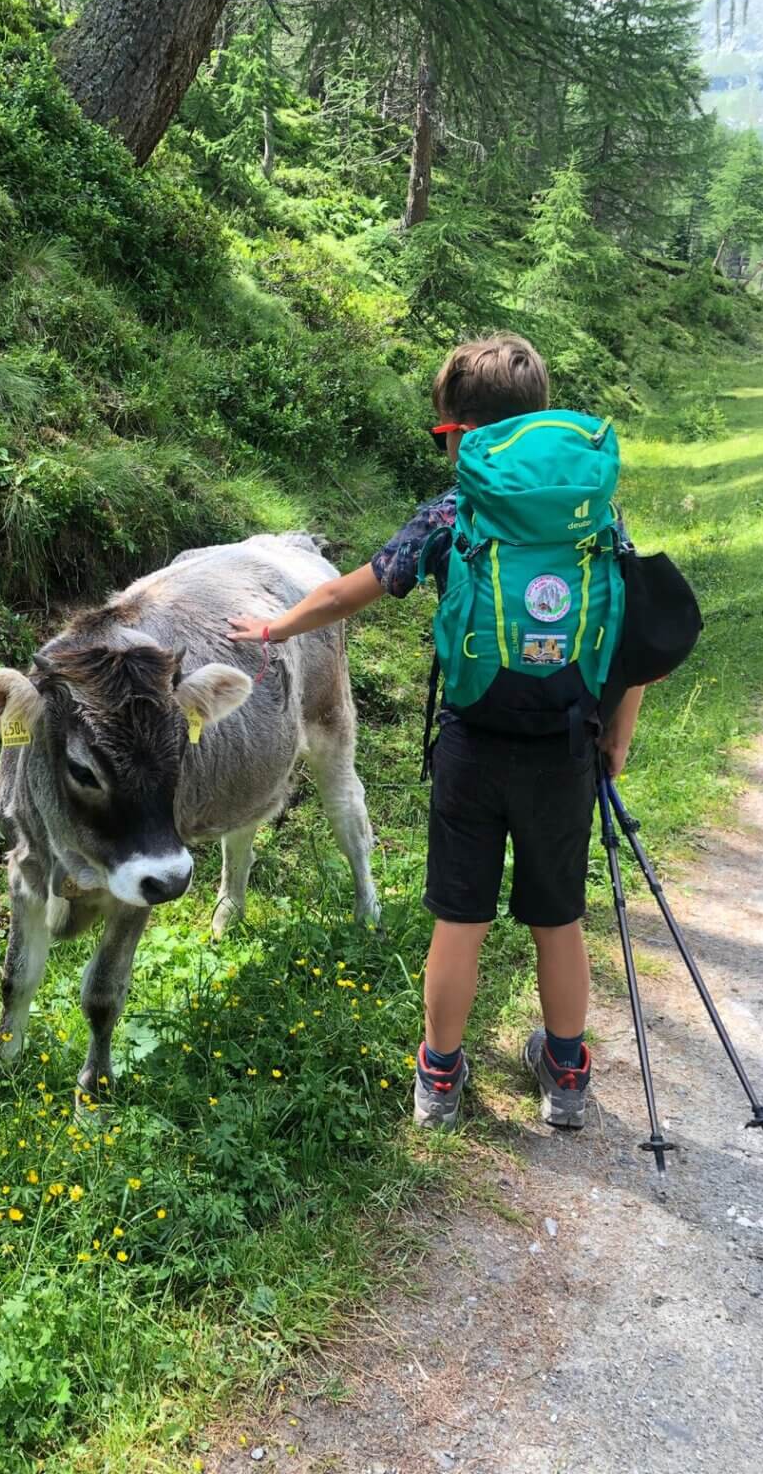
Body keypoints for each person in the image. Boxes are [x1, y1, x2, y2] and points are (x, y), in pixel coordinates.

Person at [227, 333, 644, 1132]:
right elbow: (636, 634)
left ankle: (440, 1080)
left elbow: (361, 587)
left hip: (473, 746)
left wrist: (277, 627)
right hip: (568, 747)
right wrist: (616, 733)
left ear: (462, 434)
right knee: (558, 919)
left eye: (442, 435)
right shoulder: (597, 513)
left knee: (462, 919)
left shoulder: (456, 511)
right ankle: (565, 1075)